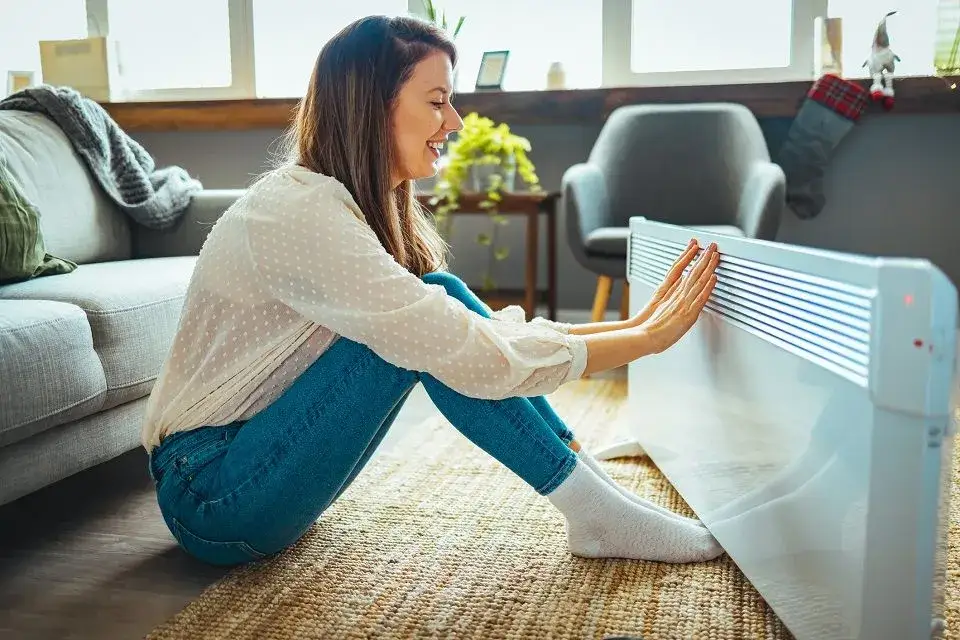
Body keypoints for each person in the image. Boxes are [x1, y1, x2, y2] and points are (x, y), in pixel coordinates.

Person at [142, 14, 722, 569]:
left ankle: (595, 498)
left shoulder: (341, 204)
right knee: (420, 336)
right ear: (373, 108)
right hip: (212, 496)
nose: (457, 122)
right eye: (438, 101)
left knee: (435, 304)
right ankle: (597, 513)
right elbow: (461, 347)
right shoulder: (300, 211)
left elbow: (468, 333)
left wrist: (632, 328)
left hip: (255, 466)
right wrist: (643, 339)